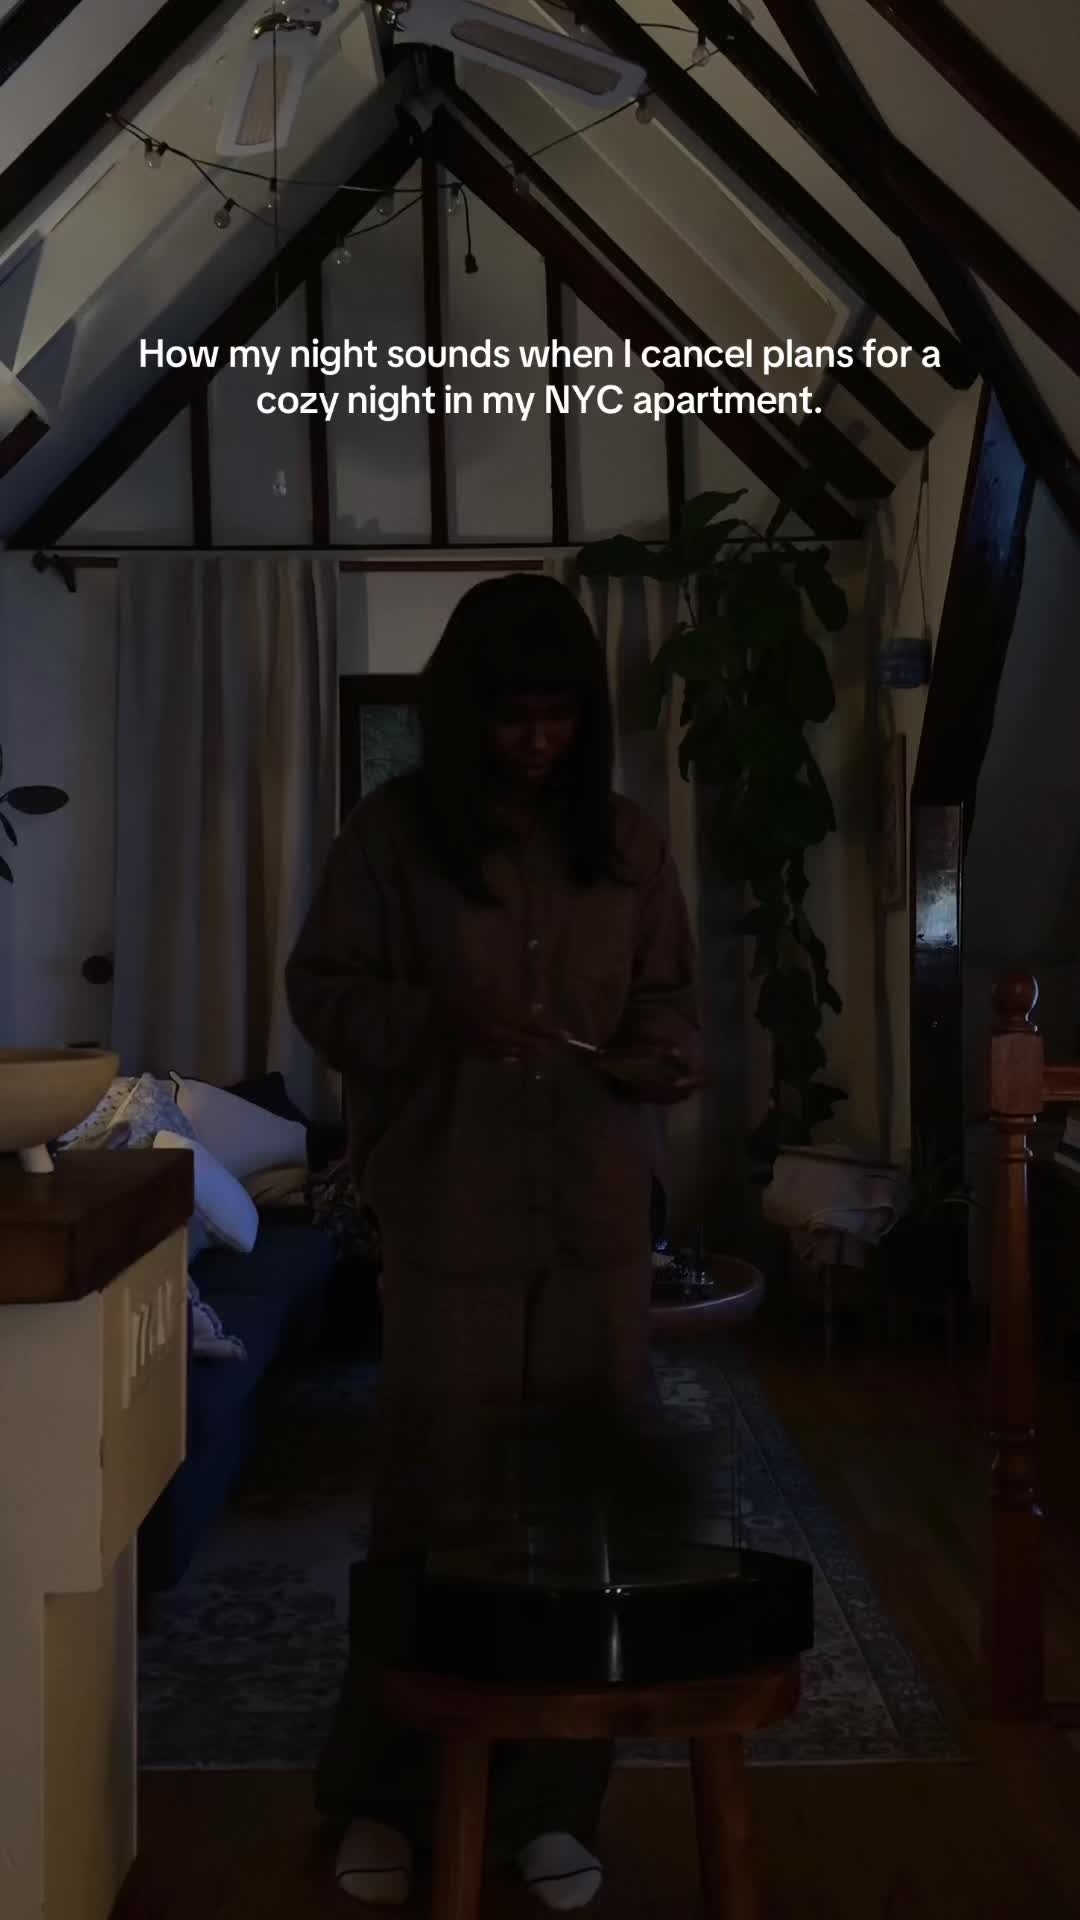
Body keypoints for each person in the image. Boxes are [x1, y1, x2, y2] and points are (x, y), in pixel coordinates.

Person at [285, 572, 705, 1910]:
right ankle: (389, 1796)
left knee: (578, 1512)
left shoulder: (629, 845)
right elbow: (321, 992)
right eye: (512, 714)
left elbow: (673, 1001)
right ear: (463, 712)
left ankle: (548, 1805)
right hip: (450, 1215)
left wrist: (664, 1056)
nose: (537, 741)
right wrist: (436, 1016)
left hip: (595, 1223)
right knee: (435, 1509)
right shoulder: (389, 839)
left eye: (559, 715)